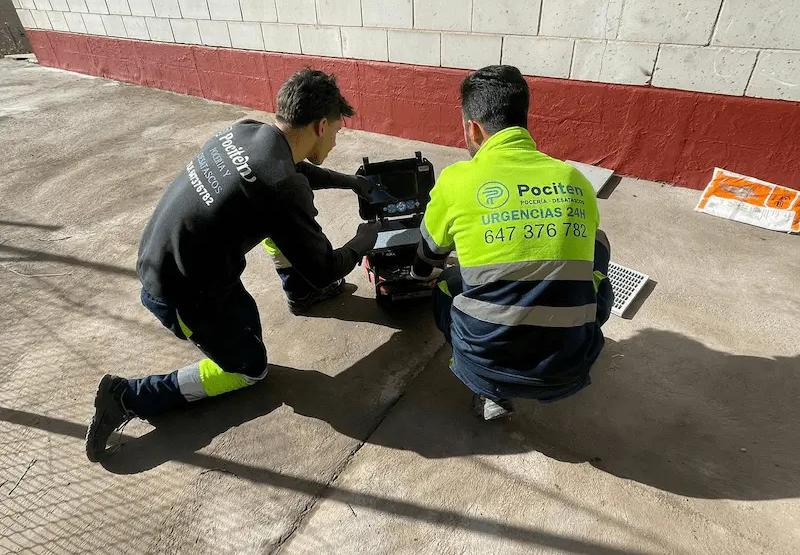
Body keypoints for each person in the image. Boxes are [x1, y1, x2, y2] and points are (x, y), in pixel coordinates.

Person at [86, 69, 380, 461]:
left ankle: (301, 294)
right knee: (248, 369)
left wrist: (350, 182)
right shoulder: (279, 186)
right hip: (180, 291)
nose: (336, 139)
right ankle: (127, 396)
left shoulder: (248, 132)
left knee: (279, 225)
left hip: (174, 255)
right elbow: (324, 267)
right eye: (337, 131)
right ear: (320, 126)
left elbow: (295, 170)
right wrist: (365, 239)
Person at [411, 65, 614, 421]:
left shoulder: (456, 180)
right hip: (569, 366)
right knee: (597, 245)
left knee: (447, 283)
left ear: (473, 128)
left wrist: (420, 274)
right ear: (523, 119)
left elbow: (426, 261)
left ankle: (488, 391)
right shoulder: (574, 179)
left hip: (488, 366)